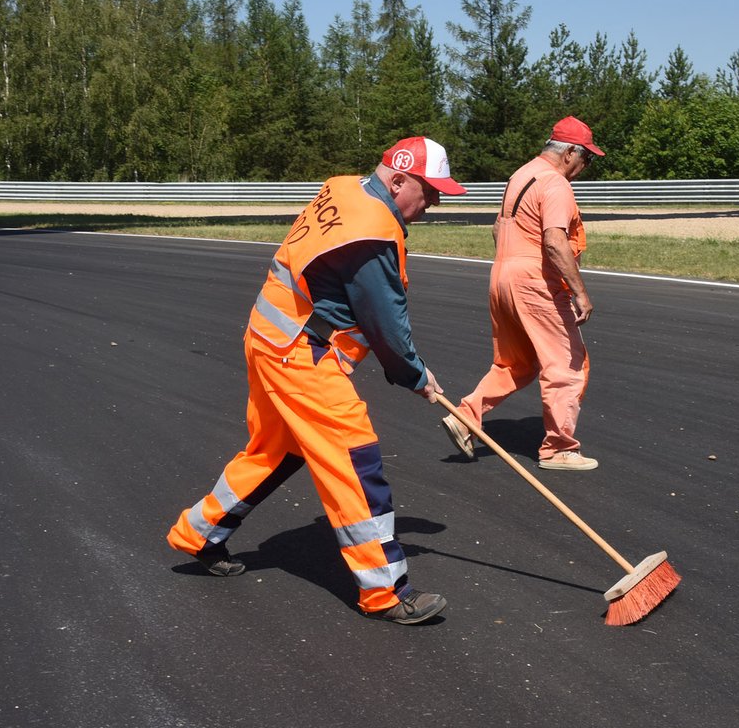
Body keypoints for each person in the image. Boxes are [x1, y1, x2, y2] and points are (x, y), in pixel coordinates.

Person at [167, 136, 466, 625]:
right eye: (429, 192)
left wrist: (411, 367)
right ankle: (386, 591)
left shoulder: (346, 187)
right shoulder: (372, 232)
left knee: (274, 450)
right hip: (301, 355)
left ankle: (199, 533)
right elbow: (384, 321)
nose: (431, 204)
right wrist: (413, 374)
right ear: (398, 180)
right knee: (354, 457)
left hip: (269, 335)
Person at [442, 116, 603, 471]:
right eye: (586, 158)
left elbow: (498, 230)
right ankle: (559, 448)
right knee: (567, 363)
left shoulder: (520, 176)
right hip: (536, 281)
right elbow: (555, 241)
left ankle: (465, 416)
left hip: (502, 274)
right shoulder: (556, 184)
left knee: (517, 363)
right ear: (570, 152)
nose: (585, 166)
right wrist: (580, 293)